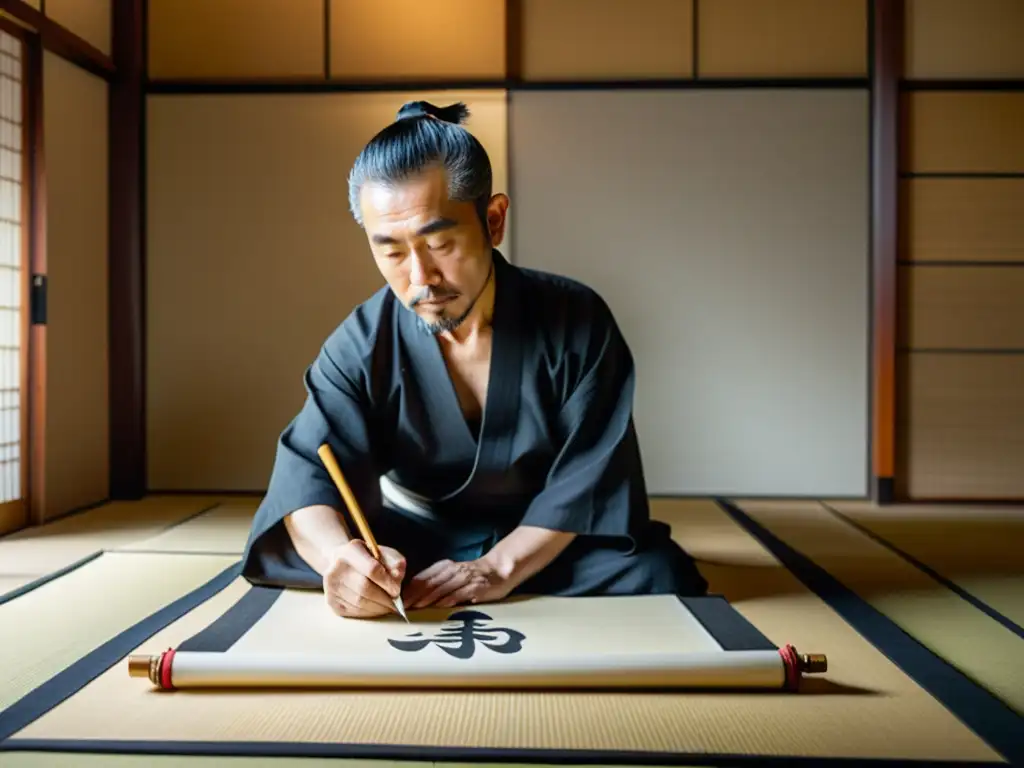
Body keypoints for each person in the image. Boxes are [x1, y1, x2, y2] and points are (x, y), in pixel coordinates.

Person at [240, 100, 708, 618]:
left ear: (493, 219)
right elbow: (305, 474)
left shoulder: (577, 320)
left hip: (544, 539)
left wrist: (498, 568)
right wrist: (341, 562)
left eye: (439, 242)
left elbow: (589, 477)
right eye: (392, 251)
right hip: (417, 543)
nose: (420, 278)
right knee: (305, 556)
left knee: (662, 573)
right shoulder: (361, 343)